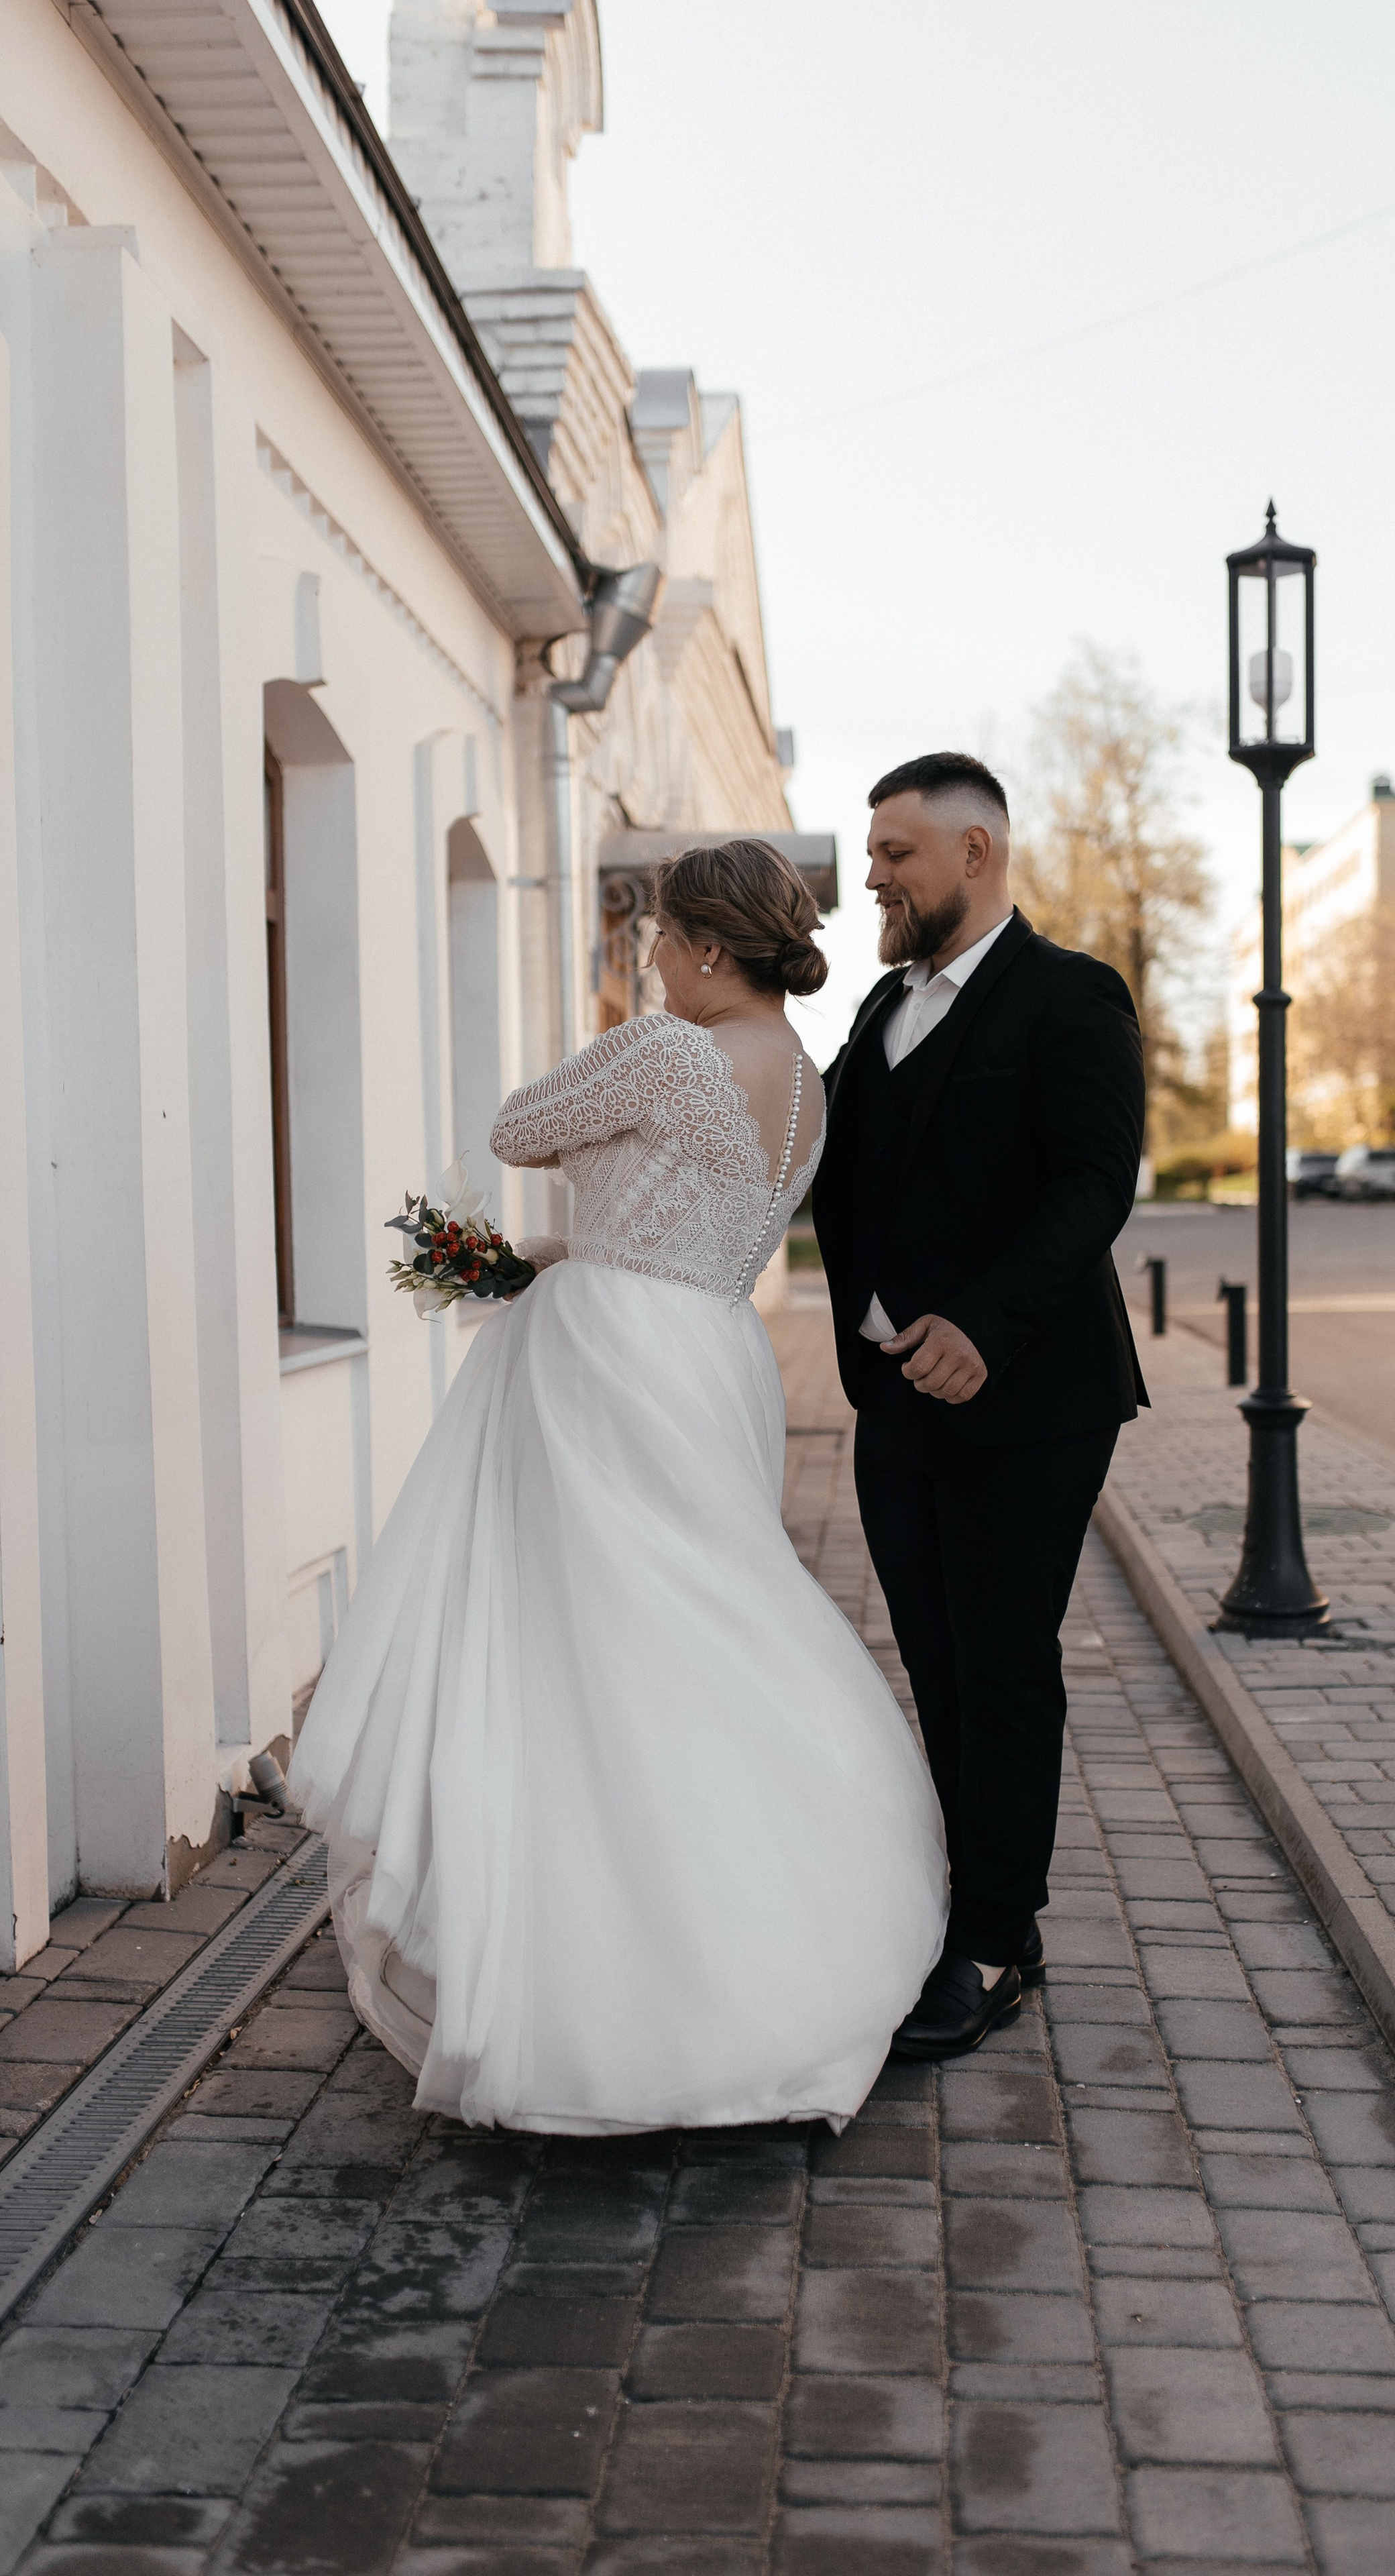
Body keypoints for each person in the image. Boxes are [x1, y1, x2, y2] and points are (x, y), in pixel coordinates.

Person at [290, 839, 947, 2135]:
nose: (646, 957)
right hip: (710, 1352)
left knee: (582, 1640)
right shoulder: (809, 1084)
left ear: (707, 948)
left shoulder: (668, 1046)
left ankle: (593, 1974)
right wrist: (574, 1248)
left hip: (610, 1359)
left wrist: (626, 1058)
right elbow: (684, 1216)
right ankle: (765, 1942)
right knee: (697, 1623)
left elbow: (515, 1127)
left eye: (658, 938)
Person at [814, 753, 1147, 2061]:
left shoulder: (1068, 998)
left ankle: (998, 1941)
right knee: (937, 1665)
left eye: (894, 851)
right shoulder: (877, 1011)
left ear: (974, 854)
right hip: (894, 1401)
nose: (874, 874)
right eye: (873, 849)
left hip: (1029, 1400)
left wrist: (984, 1328)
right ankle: (974, 1910)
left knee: (1002, 1663)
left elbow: (1090, 1184)